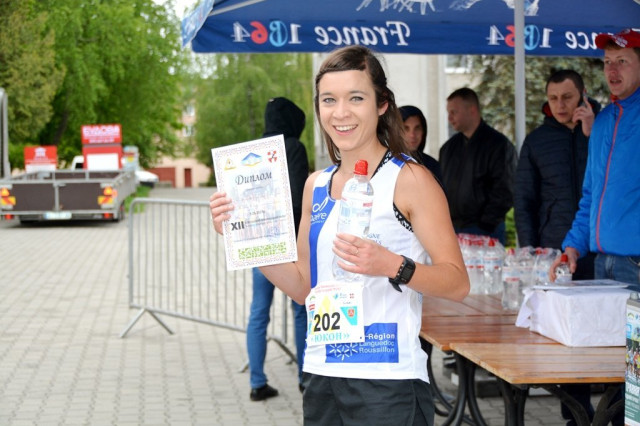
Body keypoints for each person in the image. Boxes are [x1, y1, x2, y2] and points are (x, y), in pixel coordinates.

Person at [211, 45, 469, 425]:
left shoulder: (410, 179)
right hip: (321, 374)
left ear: (381, 104)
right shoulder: (315, 185)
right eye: (329, 99)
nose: (341, 112)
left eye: (356, 98)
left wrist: (392, 265)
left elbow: (457, 283)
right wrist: (244, 236)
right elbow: (304, 288)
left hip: (387, 381)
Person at [549, 28, 640, 426]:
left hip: (636, 266)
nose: (612, 70)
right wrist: (572, 246)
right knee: (615, 376)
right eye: (607, 63)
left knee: (635, 381)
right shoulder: (602, 122)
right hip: (603, 267)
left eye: (623, 61)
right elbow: (590, 196)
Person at [514, 69, 600, 425]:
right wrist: (531, 251)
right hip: (557, 255)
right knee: (569, 337)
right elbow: (524, 201)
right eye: (553, 98)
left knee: (609, 334)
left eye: (567, 97)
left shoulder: (601, 129)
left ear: (582, 95)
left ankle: (615, 413)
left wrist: (590, 133)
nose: (560, 105)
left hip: (603, 248)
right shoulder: (537, 141)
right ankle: (576, 415)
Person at [247, 97, 309, 401]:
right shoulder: (293, 147)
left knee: (259, 311)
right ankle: (305, 378)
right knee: (300, 308)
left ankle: (257, 382)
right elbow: (298, 199)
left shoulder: (252, 150)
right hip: (289, 243)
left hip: (259, 241)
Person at [439, 87, 517, 245]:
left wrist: (486, 224)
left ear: (472, 110)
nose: (449, 118)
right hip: (452, 229)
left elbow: (505, 189)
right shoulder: (448, 149)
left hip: (486, 231)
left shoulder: (498, 145)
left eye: (454, 112)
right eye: (448, 112)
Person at [399, 105, 444, 188]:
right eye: (406, 128)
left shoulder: (432, 166)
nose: (412, 135)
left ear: (423, 131)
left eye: (417, 128)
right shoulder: (386, 164)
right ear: (395, 132)